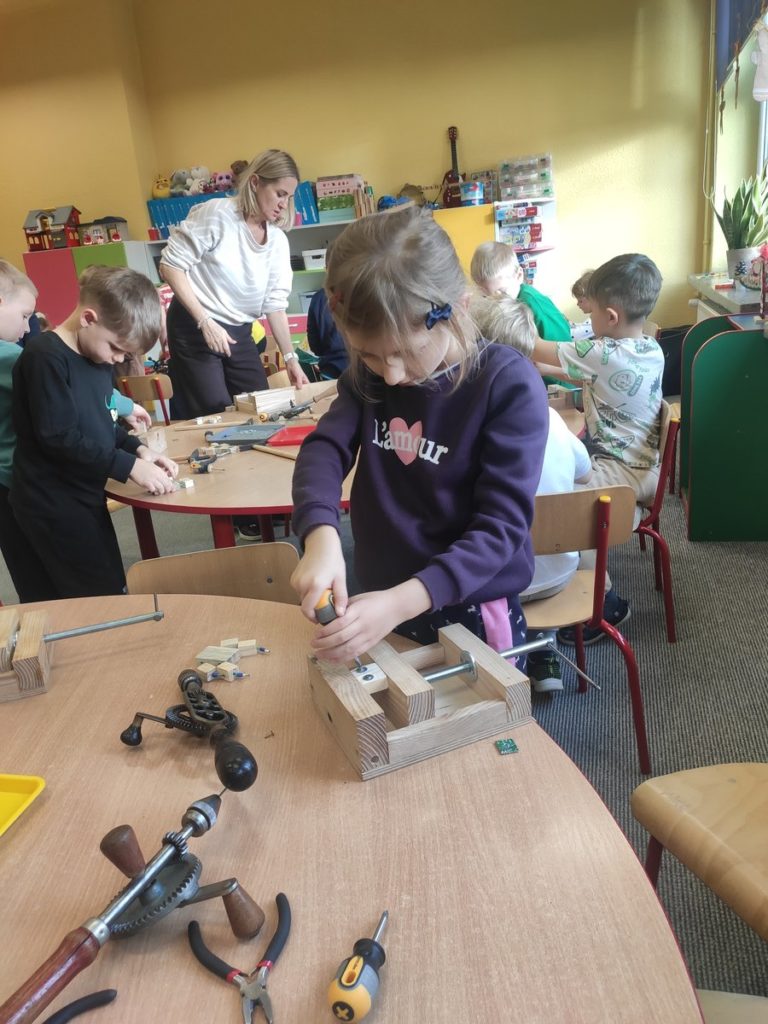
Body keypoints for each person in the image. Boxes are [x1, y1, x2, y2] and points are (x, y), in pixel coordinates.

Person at [290, 206, 549, 665]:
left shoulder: (506, 384)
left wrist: (400, 602)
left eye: (406, 352)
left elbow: (501, 528)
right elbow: (324, 450)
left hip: (471, 605)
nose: (390, 376)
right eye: (368, 355)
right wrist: (320, 535)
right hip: (381, 599)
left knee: (480, 712)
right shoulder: (369, 377)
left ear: (459, 309)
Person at [10, 265, 179, 601]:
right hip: (51, 503)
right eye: (117, 348)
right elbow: (59, 437)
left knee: (106, 584)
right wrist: (128, 466)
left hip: (83, 493)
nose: (117, 359)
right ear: (88, 318)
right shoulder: (44, 358)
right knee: (90, 596)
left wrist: (137, 449)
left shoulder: (98, 359)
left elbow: (102, 421)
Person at [532, 252, 664, 643]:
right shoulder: (648, 348)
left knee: (564, 504)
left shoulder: (604, 353)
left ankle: (606, 604)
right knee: (570, 481)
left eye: (589, 313)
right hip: (644, 466)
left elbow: (536, 347)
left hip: (624, 472)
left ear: (610, 316)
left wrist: (513, 324)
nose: (587, 320)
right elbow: (592, 376)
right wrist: (547, 369)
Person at [472, 293, 592, 691]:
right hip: (560, 575)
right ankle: (546, 649)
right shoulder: (551, 419)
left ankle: (510, 655)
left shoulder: (468, 430)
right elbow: (585, 473)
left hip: (495, 585)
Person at [159, 149, 309, 419]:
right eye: (279, 194)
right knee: (214, 412)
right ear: (256, 182)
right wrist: (205, 321)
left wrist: (291, 359)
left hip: (239, 330)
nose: (284, 204)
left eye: (289, 197)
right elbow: (170, 265)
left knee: (261, 407)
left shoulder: (277, 241)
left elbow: (275, 305)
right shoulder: (218, 214)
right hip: (195, 326)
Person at [470, 240, 571, 342]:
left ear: (518, 276)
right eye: (485, 296)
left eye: (502, 292)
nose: (495, 302)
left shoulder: (535, 306)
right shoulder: (506, 298)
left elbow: (561, 346)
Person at [306, 287, 348, 378]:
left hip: (330, 369)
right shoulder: (360, 290)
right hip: (362, 370)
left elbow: (315, 345)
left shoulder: (317, 298)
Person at [569, 269, 594, 341]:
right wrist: (568, 323)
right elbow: (583, 327)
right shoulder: (594, 317)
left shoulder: (599, 319)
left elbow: (573, 336)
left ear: (592, 299)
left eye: (580, 301)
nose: (577, 304)